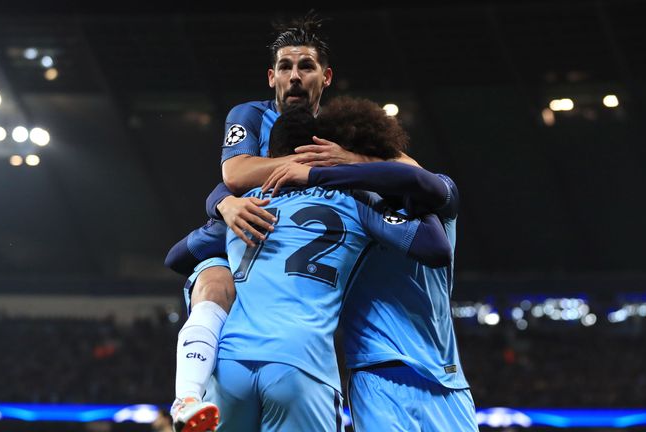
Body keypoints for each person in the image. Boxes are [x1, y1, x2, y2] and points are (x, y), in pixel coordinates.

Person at [169, 104, 451, 431]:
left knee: (208, 273)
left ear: (271, 153)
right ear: (324, 149)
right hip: (301, 363)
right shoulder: (355, 200)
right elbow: (433, 247)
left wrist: (221, 207)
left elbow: (176, 257)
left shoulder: (243, 208)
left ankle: (186, 393)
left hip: (230, 362)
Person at [168, 13, 376, 431]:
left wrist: (349, 162)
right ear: (271, 77)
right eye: (285, 67)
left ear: (327, 76)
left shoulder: (341, 133)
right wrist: (225, 204)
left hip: (283, 260)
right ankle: (187, 397)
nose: (294, 76)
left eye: (306, 66)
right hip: (244, 233)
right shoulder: (249, 114)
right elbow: (234, 175)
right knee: (215, 283)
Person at [260, 99, 479, 431]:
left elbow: (418, 183)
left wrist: (336, 167)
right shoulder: (347, 207)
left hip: (445, 375)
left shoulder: (437, 197)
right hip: (376, 373)